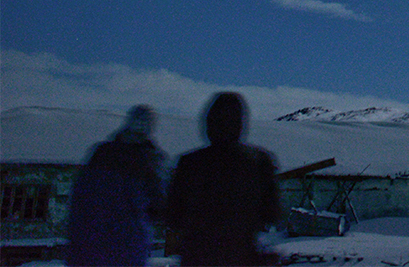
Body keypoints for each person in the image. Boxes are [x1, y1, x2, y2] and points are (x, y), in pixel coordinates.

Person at [166, 92, 282, 266]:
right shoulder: (259, 161)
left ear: (208, 123)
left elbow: (173, 215)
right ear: (241, 123)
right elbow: (272, 212)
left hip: (197, 256)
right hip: (242, 255)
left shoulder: (189, 163)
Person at [66, 105, 167, 266]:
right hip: (119, 245)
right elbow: (159, 205)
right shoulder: (147, 159)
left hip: (101, 245)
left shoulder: (103, 153)